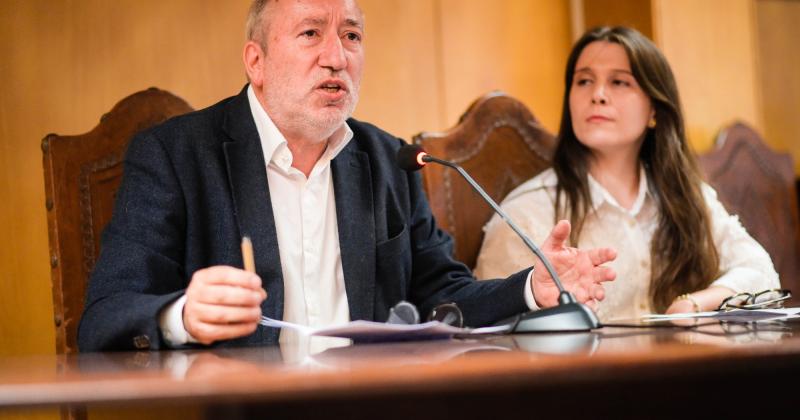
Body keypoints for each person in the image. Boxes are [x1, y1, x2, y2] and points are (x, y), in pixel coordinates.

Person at [77, 0, 616, 352]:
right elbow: (104, 316)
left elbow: (440, 294)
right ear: (256, 62)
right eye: (311, 33)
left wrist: (531, 288)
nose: (336, 57)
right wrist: (182, 316)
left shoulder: (389, 160)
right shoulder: (175, 155)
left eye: (352, 36)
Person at [474, 26, 779, 321]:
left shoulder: (686, 194)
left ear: (654, 109)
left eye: (619, 82)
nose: (598, 95)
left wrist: (694, 303)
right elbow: (494, 330)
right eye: (584, 81)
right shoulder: (527, 212)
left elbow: (760, 271)